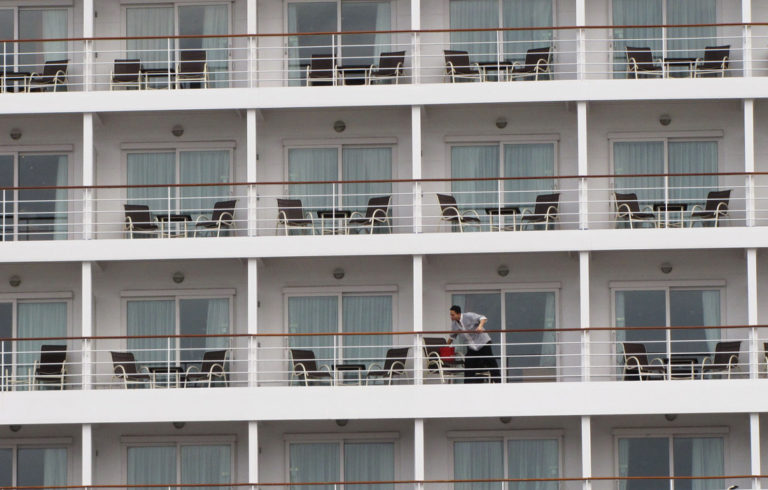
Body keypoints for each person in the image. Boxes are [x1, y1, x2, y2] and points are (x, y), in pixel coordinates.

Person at [447, 305, 501, 383]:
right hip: (472, 347)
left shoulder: (468, 316)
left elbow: (483, 318)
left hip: (483, 343)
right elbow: (452, 337)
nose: (451, 317)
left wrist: (480, 326)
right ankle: (468, 385)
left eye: (452, 315)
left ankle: (498, 382)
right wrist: (445, 346)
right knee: (468, 363)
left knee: (490, 362)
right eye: (450, 315)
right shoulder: (454, 325)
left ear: (458, 314)